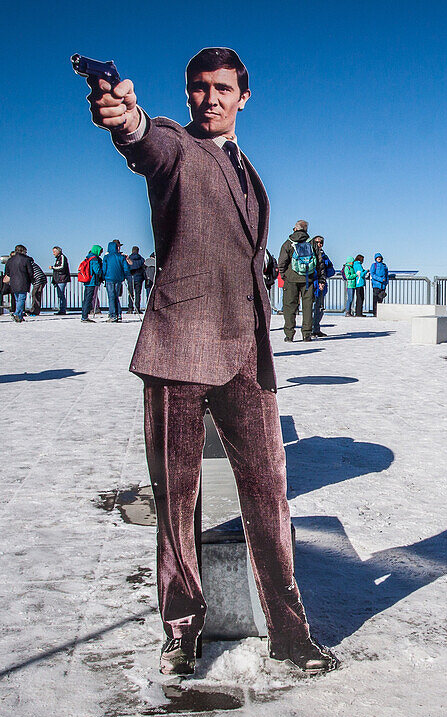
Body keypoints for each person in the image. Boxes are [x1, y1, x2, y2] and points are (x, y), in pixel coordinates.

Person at [86, 46, 338, 676]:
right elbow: (144, 141)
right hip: (178, 345)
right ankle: (180, 631)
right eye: (199, 88)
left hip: (247, 354)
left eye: (222, 88)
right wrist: (123, 117)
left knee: (270, 495)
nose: (209, 98)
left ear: (243, 95)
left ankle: (289, 630)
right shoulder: (177, 146)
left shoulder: (249, 171)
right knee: (176, 500)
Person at [277, 220, 318, 342]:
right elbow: (319, 262)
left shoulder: (288, 243)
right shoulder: (311, 243)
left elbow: (282, 262)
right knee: (307, 306)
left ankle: (289, 334)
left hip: (291, 279)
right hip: (308, 279)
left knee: (289, 307)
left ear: (295, 229)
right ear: (306, 230)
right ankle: (306, 334)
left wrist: (284, 275)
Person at [310, 236, 334, 336]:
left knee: (319, 308)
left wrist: (324, 272)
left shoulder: (324, 256)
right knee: (311, 308)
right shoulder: (310, 255)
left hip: (321, 287)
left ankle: (316, 328)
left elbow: (331, 271)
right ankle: (310, 329)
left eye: (321, 243)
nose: (319, 244)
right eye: (317, 242)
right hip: (312, 285)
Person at [3, 245, 33, 323]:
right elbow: (30, 272)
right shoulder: (26, 260)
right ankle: (17, 313)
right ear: (23, 251)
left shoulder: (10, 260)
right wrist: (32, 280)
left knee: (17, 299)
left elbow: (7, 272)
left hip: (13, 282)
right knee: (21, 299)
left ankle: (19, 315)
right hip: (23, 281)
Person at [101, 239, 130, 322]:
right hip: (119, 279)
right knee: (116, 296)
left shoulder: (106, 257)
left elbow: (104, 268)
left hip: (109, 279)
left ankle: (113, 315)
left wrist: (103, 277)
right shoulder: (121, 257)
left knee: (111, 296)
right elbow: (126, 268)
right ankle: (118, 314)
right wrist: (125, 276)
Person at [79, 245, 104, 323]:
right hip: (92, 281)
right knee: (89, 299)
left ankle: (84, 315)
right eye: (100, 252)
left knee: (86, 298)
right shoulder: (94, 259)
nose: (100, 254)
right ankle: (85, 317)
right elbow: (97, 270)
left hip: (87, 281)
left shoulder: (88, 257)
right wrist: (102, 271)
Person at [126, 246, 147, 314]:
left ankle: (130, 308)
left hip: (130, 278)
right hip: (139, 278)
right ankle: (137, 308)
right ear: (138, 251)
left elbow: (126, 268)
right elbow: (143, 269)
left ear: (132, 251)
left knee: (130, 294)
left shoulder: (129, 259)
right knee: (138, 294)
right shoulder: (141, 259)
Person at [51, 247, 70, 315]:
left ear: (58, 251)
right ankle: (61, 309)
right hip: (58, 279)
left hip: (61, 279)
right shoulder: (58, 258)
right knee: (60, 295)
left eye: (54, 252)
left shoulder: (62, 257)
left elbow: (62, 267)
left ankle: (62, 309)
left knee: (61, 294)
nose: (53, 254)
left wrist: (53, 268)